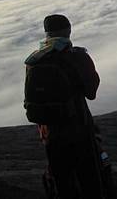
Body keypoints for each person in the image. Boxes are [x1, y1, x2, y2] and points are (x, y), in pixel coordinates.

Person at [24, 14, 104, 199]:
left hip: (50, 133)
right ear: (68, 30)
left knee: (62, 181)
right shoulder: (77, 56)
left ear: (47, 33)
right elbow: (91, 93)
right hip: (79, 129)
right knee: (90, 180)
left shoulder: (33, 61)